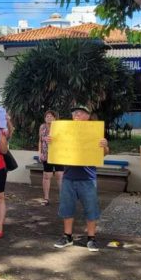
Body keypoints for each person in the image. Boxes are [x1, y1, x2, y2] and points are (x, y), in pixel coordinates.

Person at [53, 105, 109, 251]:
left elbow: (102, 154)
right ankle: (67, 236)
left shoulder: (94, 132)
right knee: (67, 208)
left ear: (87, 116)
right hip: (68, 177)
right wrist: (51, 142)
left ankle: (91, 239)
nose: (77, 115)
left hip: (88, 178)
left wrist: (105, 146)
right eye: (75, 113)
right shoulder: (64, 132)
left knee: (91, 209)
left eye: (81, 112)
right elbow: (56, 150)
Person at [38, 110, 64, 206]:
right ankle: (46, 198)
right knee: (46, 176)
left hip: (58, 154)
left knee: (59, 175)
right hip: (46, 154)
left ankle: (63, 199)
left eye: (51, 116)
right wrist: (39, 152)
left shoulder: (60, 127)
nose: (49, 117)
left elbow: (65, 140)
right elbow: (40, 141)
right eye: (47, 116)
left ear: (55, 118)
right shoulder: (42, 127)